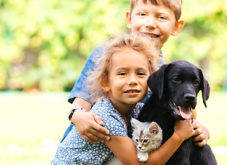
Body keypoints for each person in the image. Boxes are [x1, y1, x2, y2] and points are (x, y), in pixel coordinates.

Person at [65, 0, 210, 147]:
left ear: (176, 26)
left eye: (161, 17)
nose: (150, 24)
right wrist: (78, 117)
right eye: (142, 14)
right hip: (90, 147)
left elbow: (183, 113)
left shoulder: (166, 72)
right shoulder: (104, 56)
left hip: (131, 149)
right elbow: (79, 105)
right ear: (129, 18)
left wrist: (197, 128)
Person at [52, 34, 195, 164]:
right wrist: (178, 137)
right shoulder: (105, 116)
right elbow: (140, 164)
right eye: (122, 73)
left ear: (151, 82)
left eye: (140, 73)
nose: (132, 80)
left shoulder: (136, 110)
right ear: (105, 82)